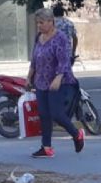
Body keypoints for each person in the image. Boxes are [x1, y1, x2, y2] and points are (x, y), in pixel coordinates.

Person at [26, 8, 84, 158]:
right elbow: (35, 59)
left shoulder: (61, 38)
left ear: (51, 22)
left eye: (42, 22)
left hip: (60, 82)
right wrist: (29, 77)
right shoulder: (39, 37)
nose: (39, 25)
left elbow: (64, 61)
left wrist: (58, 78)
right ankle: (46, 148)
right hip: (41, 82)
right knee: (44, 115)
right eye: (37, 22)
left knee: (57, 114)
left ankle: (77, 135)